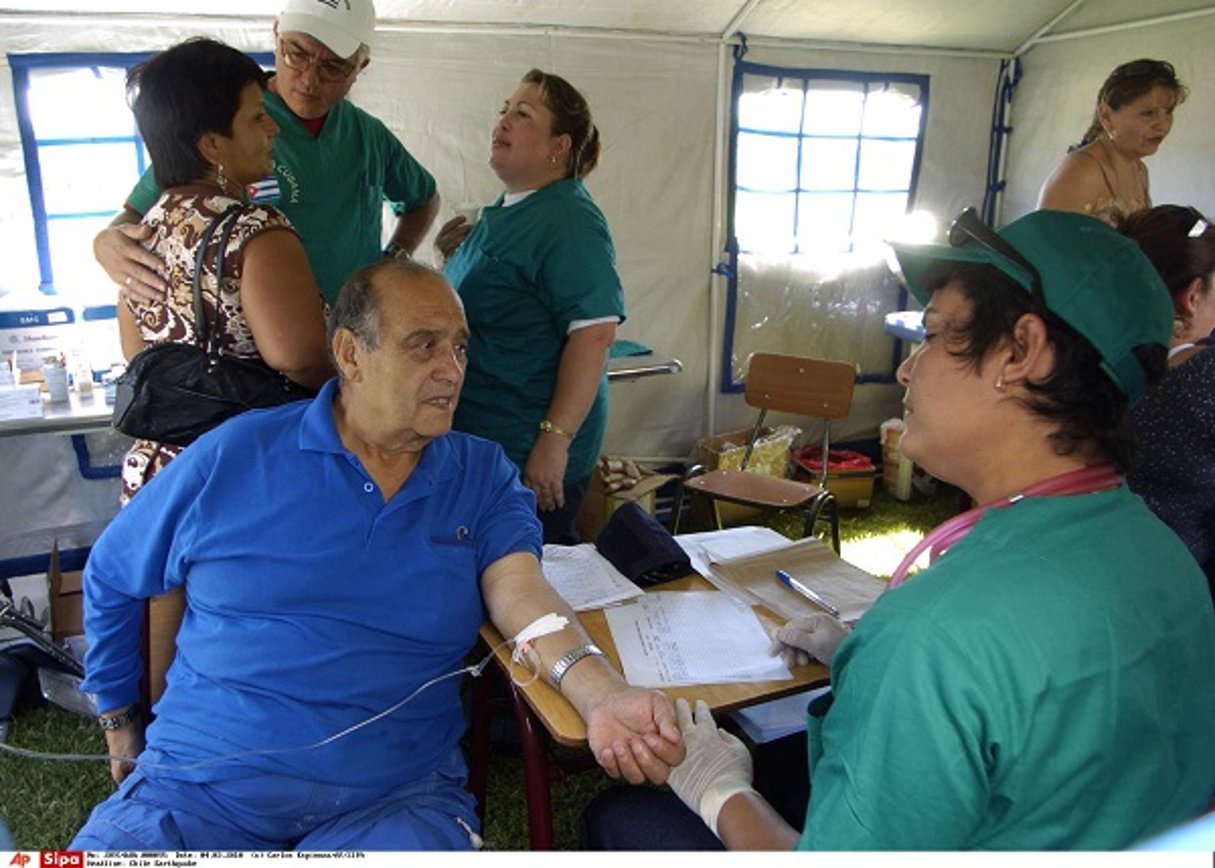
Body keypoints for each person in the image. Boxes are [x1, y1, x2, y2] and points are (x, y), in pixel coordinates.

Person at [582, 210, 1215, 850]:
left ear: (1021, 352)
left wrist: (719, 790)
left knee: (623, 819)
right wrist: (856, 656)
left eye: (935, 334)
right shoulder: (1165, 556)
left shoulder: (933, 638)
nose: (909, 369)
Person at [71, 259, 684, 851]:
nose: (452, 369)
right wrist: (119, 717)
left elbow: (523, 594)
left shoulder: (480, 477)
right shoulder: (236, 456)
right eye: (424, 345)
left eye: (460, 348)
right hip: (197, 797)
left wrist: (600, 693)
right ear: (349, 355)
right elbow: (114, 573)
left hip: (390, 804)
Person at [117, 37, 333, 710]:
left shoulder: (135, 237)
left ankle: (149, 753)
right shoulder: (253, 232)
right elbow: (298, 355)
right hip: (242, 480)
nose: (272, 128)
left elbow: (138, 358)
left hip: (159, 471)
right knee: (242, 648)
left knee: (164, 636)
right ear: (212, 144)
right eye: (255, 116)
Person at [94, 0, 439, 305]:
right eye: (297, 53)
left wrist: (393, 257)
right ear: (276, 35)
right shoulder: (227, 122)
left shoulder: (368, 135)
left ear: (360, 67)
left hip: (353, 326)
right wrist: (106, 243)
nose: (309, 79)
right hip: (262, 344)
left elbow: (423, 198)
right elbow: (137, 216)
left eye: (333, 67)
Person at [437, 69, 623, 545]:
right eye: (504, 109)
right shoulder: (509, 208)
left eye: (522, 114)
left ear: (557, 146)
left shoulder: (569, 219)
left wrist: (554, 441)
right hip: (484, 435)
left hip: (526, 448)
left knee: (523, 582)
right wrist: (448, 257)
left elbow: (594, 334)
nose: (502, 121)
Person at [1121, 205, 1215, 600]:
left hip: (1100, 575)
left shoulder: (1088, 366)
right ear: (1193, 296)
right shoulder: (1204, 376)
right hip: (1189, 589)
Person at [1037, 59, 1186, 226]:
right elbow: (1044, 246)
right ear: (1106, 116)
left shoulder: (1139, 170)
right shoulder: (1082, 172)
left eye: (1168, 112)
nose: (1163, 125)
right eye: (1148, 113)